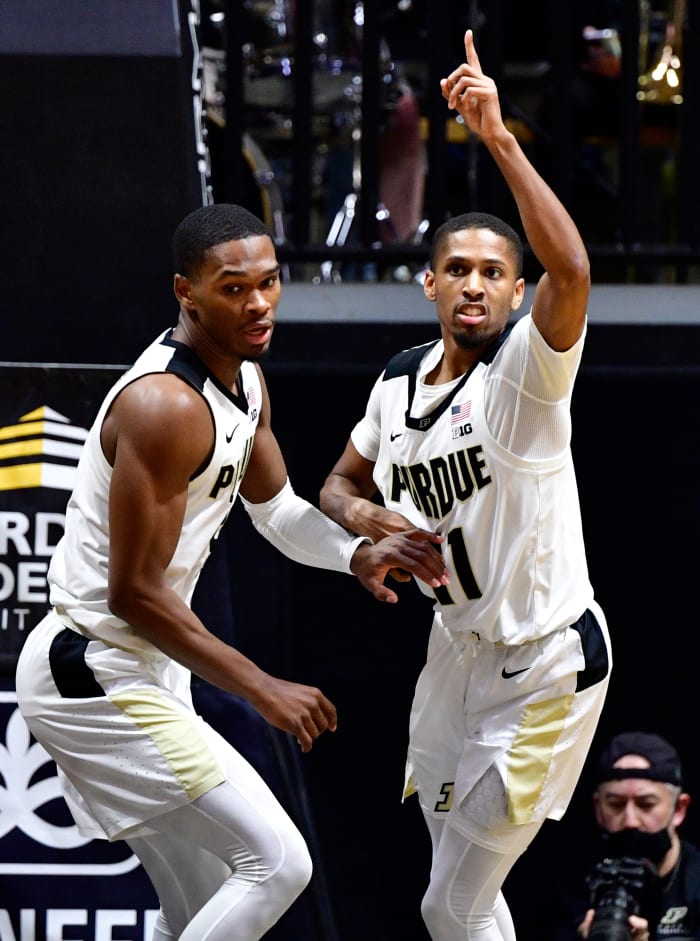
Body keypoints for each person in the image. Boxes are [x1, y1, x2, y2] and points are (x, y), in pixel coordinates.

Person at [14, 202, 450, 941]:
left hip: (144, 667)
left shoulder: (246, 382)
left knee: (200, 906)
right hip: (93, 668)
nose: (258, 304)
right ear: (186, 291)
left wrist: (355, 553)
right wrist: (261, 688)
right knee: (279, 863)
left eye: (270, 282)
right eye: (233, 288)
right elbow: (135, 593)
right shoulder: (163, 405)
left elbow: (277, 512)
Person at [318, 28, 612, 941]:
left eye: (494, 273)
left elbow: (574, 268)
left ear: (516, 295)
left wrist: (498, 137)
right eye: (459, 271)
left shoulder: (523, 378)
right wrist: (371, 525)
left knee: (451, 902)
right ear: (428, 284)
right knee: (456, 890)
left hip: (543, 663)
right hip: (454, 655)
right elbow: (335, 482)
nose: (475, 286)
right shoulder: (398, 379)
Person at [553, 731, 700, 941]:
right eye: (615, 804)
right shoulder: (571, 888)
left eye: (646, 804)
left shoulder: (694, 886)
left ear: (679, 809)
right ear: (598, 807)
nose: (630, 820)